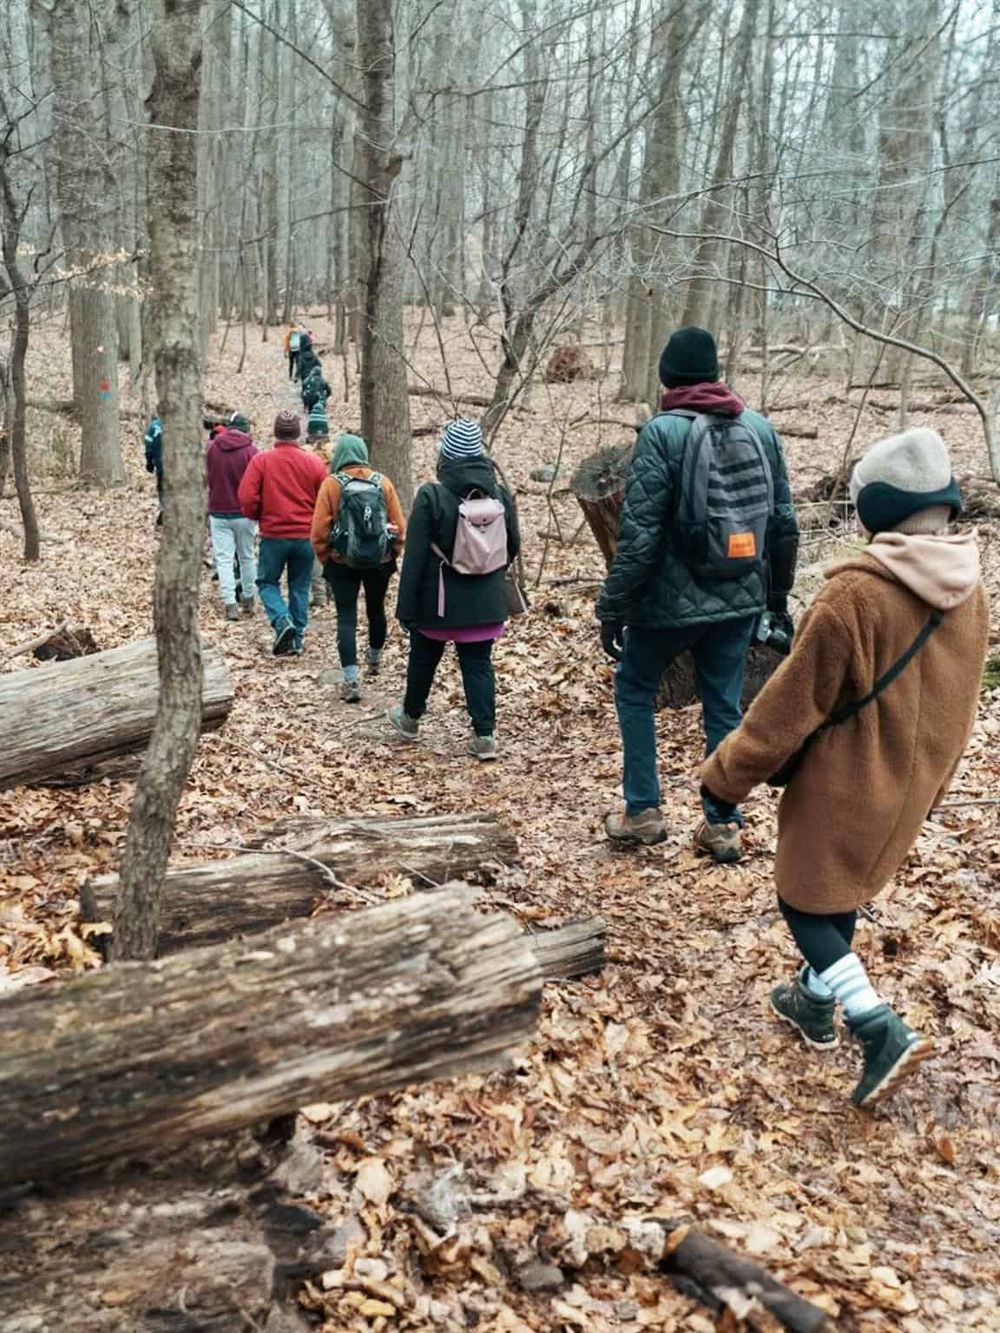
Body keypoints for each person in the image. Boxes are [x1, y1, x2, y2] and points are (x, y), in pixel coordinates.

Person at [700, 428, 988, 1108]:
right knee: (838, 895)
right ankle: (812, 1002)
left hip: (845, 783)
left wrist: (722, 780)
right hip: (911, 787)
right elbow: (964, 708)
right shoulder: (970, 590)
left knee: (802, 901)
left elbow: (783, 713)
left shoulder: (855, 595)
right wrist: (933, 790)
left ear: (876, 509)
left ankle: (875, 1024)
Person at [597, 326, 798, 861]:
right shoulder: (758, 428)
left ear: (668, 377)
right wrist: (776, 599)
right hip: (740, 597)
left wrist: (612, 608)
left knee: (635, 687)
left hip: (667, 603)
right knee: (724, 705)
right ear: (713, 373)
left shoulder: (662, 433)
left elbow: (638, 538)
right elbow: (783, 524)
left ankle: (642, 811)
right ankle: (723, 822)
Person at [389, 419, 519, 760]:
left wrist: (406, 609)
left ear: (445, 454)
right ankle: (485, 736)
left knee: (423, 660)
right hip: (486, 603)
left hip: (438, 604)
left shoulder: (432, 495)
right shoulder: (500, 495)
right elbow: (512, 546)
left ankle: (410, 721)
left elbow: (415, 558)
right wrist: (487, 571)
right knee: (478, 665)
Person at [311, 433, 406, 702]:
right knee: (376, 610)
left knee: (346, 618)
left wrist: (327, 558)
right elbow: (399, 526)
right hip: (380, 561)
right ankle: (375, 659)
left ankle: (351, 681)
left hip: (342, 562)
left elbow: (318, 531)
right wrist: (392, 553)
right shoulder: (382, 482)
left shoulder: (331, 485)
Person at [238, 410, 327, 655]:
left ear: (276, 432)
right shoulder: (314, 463)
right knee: (300, 586)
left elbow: (246, 497)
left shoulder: (262, 461)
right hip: (304, 536)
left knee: (266, 582)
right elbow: (326, 499)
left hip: (274, 535)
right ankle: (296, 637)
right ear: (298, 434)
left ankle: (281, 620)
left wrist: (258, 515)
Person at [207, 414, 258, 621]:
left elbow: (205, 474)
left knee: (224, 560)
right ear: (246, 430)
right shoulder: (252, 451)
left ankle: (230, 604)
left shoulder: (212, 448)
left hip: (218, 511)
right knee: (247, 557)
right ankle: (248, 599)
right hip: (244, 513)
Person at [144, 415, 163, 523]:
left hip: (161, 464)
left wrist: (149, 461)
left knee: (161, 487)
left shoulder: (154, 425)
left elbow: (148, 444)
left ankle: (163, 506)